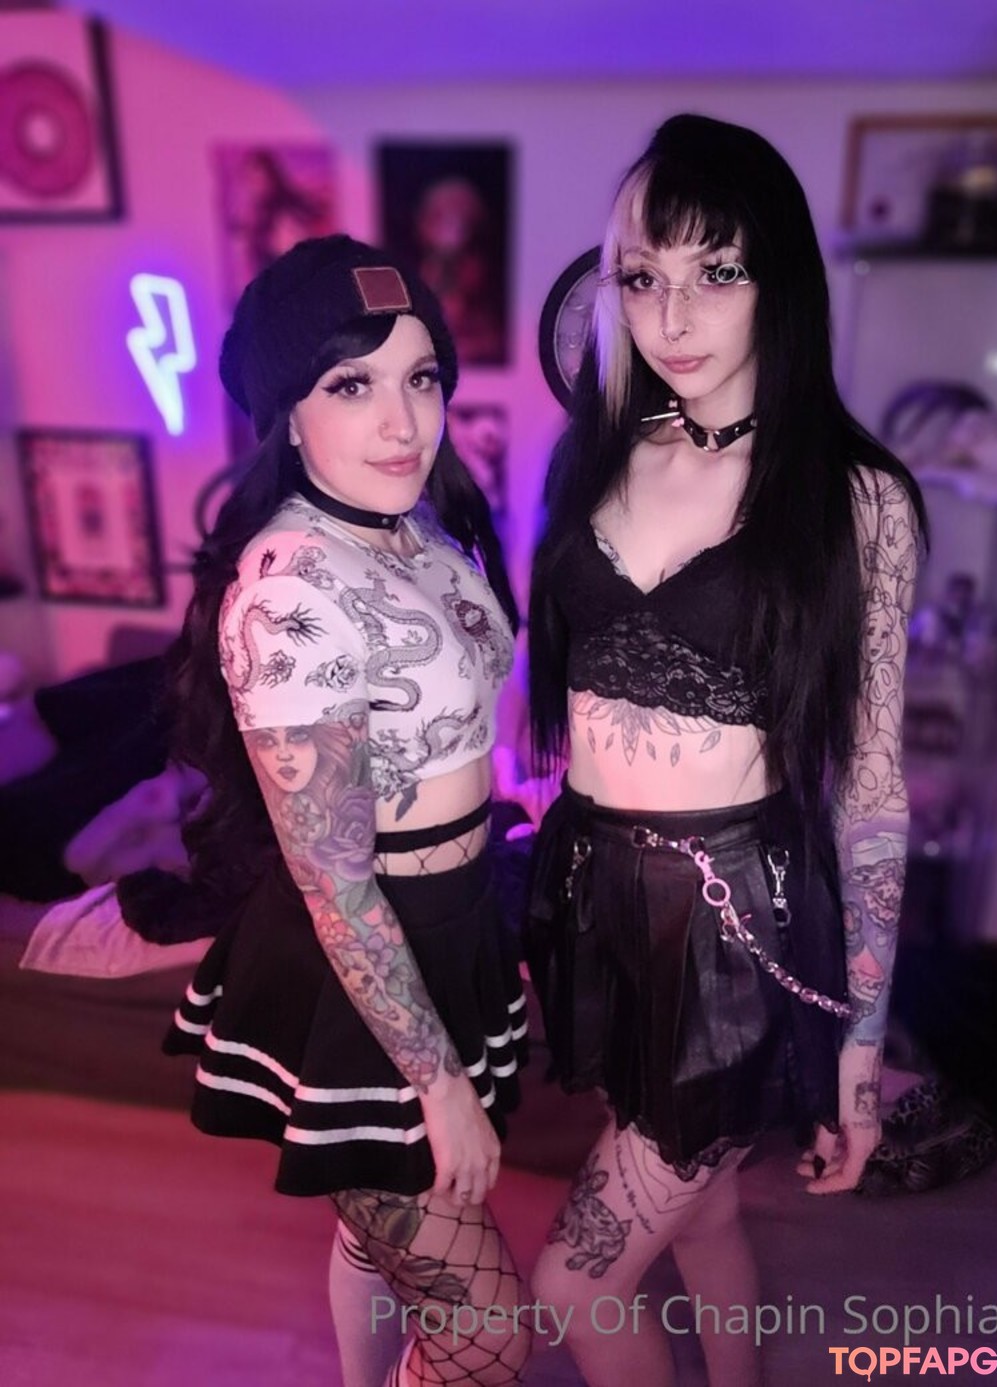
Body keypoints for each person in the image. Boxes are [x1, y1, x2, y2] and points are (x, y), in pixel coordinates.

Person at [525, 115, 926, 1386]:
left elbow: (872, 785)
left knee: (576, 1279)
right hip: (591, 893)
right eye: (643, 276)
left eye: (718, 271)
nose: (673, 315)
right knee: (699, 1209)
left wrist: (861, 1046)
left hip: (730, 925)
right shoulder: (598, 452)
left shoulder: (857, 497)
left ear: (779, 279)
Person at [163, 235, 530, 1387]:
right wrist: (440, 1085)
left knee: (374, 1241)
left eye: (421, 377)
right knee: (486, 1332)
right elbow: (334, 877)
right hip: (362, 964)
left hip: (452, 922)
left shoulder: (417, 528)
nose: (403, 421)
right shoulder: (288, 587)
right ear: (287, 413)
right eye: (351, 384)